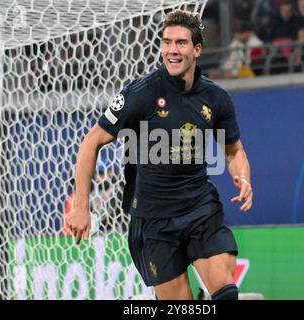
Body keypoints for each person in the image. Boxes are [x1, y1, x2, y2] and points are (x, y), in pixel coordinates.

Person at [67, 10, 253, 300]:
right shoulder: (140, 94)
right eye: (166, 42)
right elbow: (90, 143)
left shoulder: (216, 98)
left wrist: (242, 177)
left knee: (226, 295)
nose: (171, 50)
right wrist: (81, 206)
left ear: (197, 49)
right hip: (154, 219)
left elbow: (234, 150)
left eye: (180, 43)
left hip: (199, 209)